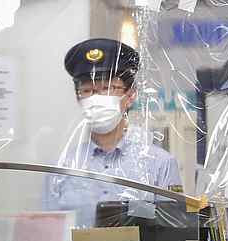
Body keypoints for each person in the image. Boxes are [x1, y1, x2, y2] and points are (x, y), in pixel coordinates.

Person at [45, 38, 183, 228]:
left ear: (130, 95)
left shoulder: (159, 164)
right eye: (87, 90)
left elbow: (172, 233)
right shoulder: (63, 168)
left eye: (108, 88)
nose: (96, 98)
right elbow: (50, 235)